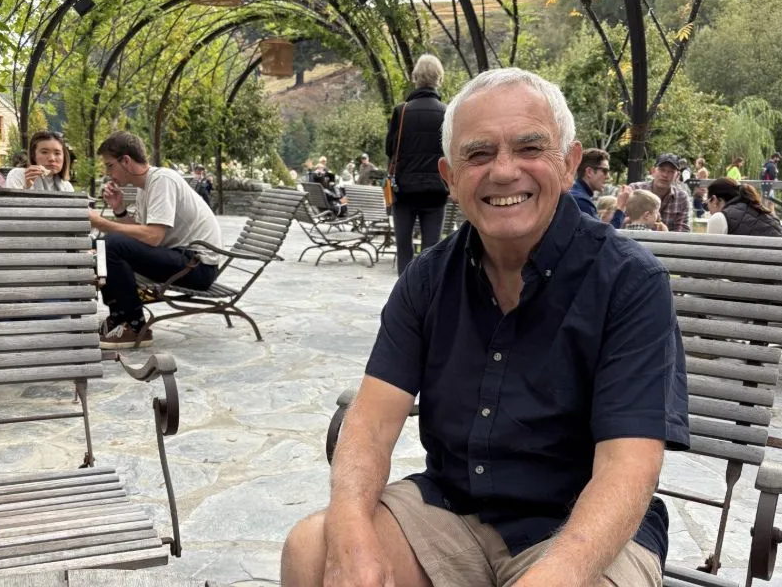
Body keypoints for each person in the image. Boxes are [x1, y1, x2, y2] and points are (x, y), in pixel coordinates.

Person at [281, 68, 689, 587]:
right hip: (452, 509)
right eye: (478, 154)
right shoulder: (427, 278)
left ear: (568, 163)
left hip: (583, 528)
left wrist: (549, 578)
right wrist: (349, 534)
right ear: (450, 178)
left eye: (529, 148)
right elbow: (372, 422)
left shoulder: (630, 283)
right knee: (312, 550)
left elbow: (627, 467)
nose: (503, 171)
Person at [88, 131, 223, 349]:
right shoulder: (145, 188)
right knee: (103, 245)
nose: (108, 173)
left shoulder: (162, 180)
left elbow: (153, 237)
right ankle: (119, 317)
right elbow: (138, 235)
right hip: (182, 258)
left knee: (109, 244)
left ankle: (134, 325)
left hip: (197, 266)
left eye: (110, 165)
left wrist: (102, 223)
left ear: (126, 161)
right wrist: (119, 209)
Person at [385, 54, 449, 276]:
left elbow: (390, 149)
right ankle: (428, 291)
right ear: (439, 78)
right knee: (431, 249)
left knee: (404, 247)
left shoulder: (401, 111)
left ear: (415, 77)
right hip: (436, 191)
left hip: (404, 190)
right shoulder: (446, 112)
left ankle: (405, 290)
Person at [569, 148, 629, 228]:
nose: (608, 176)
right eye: (605, 171)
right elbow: (603, 235)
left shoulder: (577, 194)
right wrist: (620, 207)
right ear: (589, 172)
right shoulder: (581, 200)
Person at [630, 153, 691, 232]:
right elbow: (621, 223)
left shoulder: (681, 198)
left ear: (677, 176)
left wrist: (664, 234)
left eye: (671, 171)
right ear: (653, 171)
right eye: (662, 170)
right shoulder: (636, 189)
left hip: (668, 240)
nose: (665, 175)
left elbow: (682, 232)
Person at [706, 178, 782, 237]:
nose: (709, 211)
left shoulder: (720, 218)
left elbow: (711, 252)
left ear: (714, 200)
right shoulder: (767, 213)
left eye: (706, 204)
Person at [5, 131, 74, 192]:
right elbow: (12, 201)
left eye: (57, 153)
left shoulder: (66, 187)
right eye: (44, 152)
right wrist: (26, 187)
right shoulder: (18, 175)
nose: (52, 158)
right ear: (33, 156)